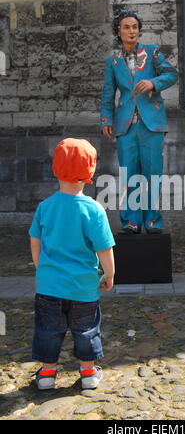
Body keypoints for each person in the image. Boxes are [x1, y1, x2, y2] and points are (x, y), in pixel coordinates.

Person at [29, 138, 115, 390]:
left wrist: (40, 269)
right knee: (86, 329)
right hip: (83, 287)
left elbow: (35, 241)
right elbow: (104, 248)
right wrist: (109, 274)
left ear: (55, 168)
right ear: (90, 171)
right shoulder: (94, 210)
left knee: (48, 329)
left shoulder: (44, 207)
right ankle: (88, 372)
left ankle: (46, 374)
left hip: (49, 286)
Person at [100, 11, 178, 234]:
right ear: (119, 31)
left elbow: (172, 74)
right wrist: (106, 119)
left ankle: (153, 221)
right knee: (129, 174)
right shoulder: (113, 61)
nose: (131, 31)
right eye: (126, 27)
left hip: (151, 124)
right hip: (125, 125)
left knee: (153, 174)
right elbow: (108, 93)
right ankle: (131, 222)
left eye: (134, 27)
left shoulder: (152, 53)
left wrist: (153, 83)